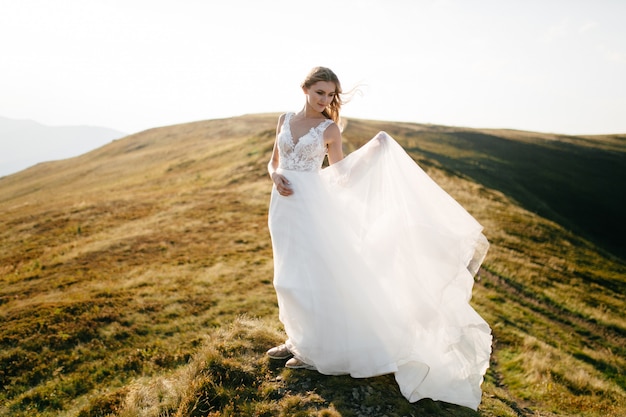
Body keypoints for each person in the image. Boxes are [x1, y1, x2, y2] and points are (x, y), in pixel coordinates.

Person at [266, 66, 492, 410]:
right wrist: (275, 178)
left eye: (330, 95)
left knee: (311, 277)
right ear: (305, 89)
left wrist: (374, 151)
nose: (325, 100)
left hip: (312, 207)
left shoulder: (328, 129)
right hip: (282, 207)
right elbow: (273, 161)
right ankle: (295, 339)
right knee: (286, 275)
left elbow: (340, 176)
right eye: (320, 93)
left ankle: (312, 350)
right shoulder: (284, 119)